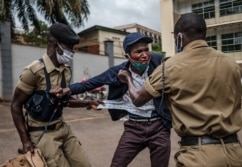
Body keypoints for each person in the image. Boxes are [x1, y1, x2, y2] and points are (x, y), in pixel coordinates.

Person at [118, 13, 242, 167]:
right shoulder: (231, 64)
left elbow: (138, 99)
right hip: (235, 153)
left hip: (198, 156)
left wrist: (128, 79)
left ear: (179, 37)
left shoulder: (170, 67)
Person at [52, 32, 172, 167]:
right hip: (134, 128)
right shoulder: (118, 72)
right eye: (138, 52)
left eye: (146, 50)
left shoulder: (157, 62)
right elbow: (90, 83)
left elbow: (175, 68)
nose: (144, 54)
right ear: (128, 56)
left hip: (159, 127)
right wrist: (68, 89)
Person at [10, 22, 101, 167]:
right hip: (42, 134)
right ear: (56, 46)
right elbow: (15, 105)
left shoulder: (66, 71)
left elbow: (66, 100)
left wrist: (87, 103)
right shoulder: (33, 71)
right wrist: (25, 141)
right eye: (70, 48)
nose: (73, 52)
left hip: (62, 128)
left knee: (84, 164)